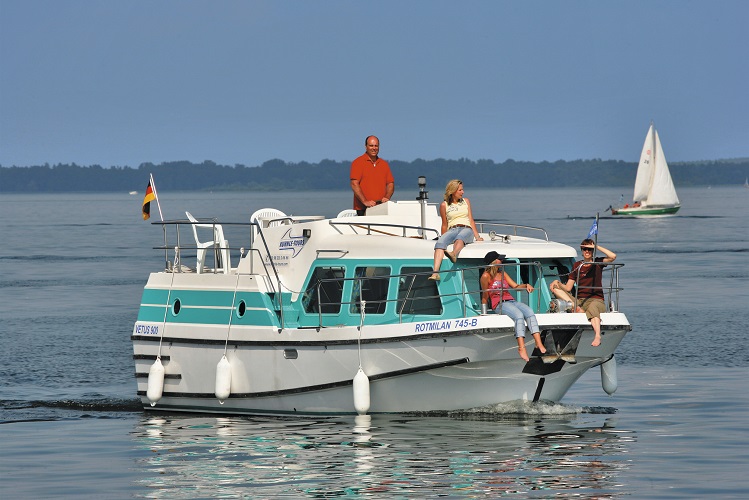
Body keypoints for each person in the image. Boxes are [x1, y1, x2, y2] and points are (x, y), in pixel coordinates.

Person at [480, 251, 546, 361]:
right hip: (499, 304)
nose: (502, 261)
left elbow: (515, 286)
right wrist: (484, 311)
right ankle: (521, 348)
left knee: (529, 312)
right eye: (500, 259)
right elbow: (485, 294)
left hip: (510, 300)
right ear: (493, 262)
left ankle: (538, 343)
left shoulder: (502, 274)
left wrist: (525, 285)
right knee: (519, 315)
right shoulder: (485, 276)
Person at [549, 239, 617, 347]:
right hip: (580, 300)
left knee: (593, 308)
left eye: (589, 249)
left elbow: (613, 256)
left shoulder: (597, 263)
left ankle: (597, 335)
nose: (587, 251)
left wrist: (596, 246)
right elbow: (568, 287)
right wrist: (557, 283)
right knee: (557, 289)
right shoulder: (577, 265)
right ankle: (575, 307)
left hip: (596, 299)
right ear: (581, 250)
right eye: (585, 249)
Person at [428, 179, 483, 280]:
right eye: (460, 190)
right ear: (453, 191)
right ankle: (435, 273)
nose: (463, 192)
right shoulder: (444, 205)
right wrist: (444, 238)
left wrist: (477, 236)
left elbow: (471, 220)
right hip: (452, 229)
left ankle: (454, 254)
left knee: (460, 238)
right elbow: (444, 224)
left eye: (462, 190)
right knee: (439, 244)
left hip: (466, 228)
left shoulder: (466, 201)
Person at [350, 135, 394, 216]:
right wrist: (365, 201)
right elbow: (354, 184)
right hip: (363, 209)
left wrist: (387, 197)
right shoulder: (358, 162)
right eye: (371, 145)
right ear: (366, 147)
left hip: (382, 208)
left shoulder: (384, 164)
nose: (374, 148)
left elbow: (390, 183)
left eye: (376, 146)